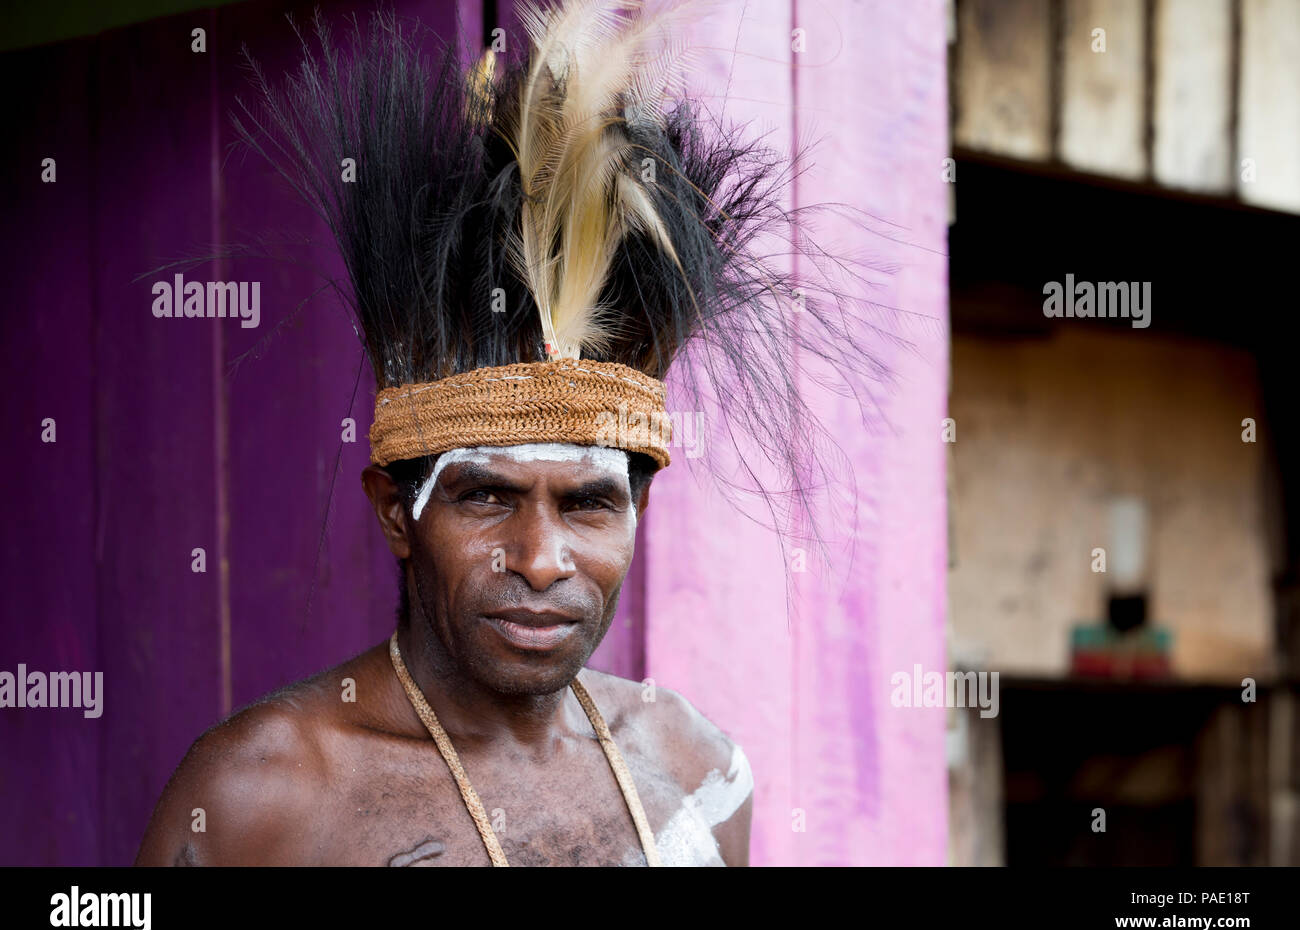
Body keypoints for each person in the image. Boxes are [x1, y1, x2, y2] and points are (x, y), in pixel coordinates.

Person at [136, 0, 876, 866]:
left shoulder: (695, 774)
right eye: (486, 496)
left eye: (590, 503)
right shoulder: (255, 802)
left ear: (639, 510)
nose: (540, 557)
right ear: (394, 511)